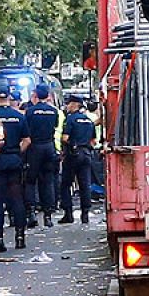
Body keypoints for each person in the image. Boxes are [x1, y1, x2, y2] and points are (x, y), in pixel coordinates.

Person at [0, 84, 30, 250]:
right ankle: (20, 237)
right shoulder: (18, 116)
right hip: (14, 160)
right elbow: (27, 140)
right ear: (9, 97)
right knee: (17, 199)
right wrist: (17, 153)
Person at [24, 84, 61, 228]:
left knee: (30, 181)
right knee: (48, 181)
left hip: (35, 147)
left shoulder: (30, 112)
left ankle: (31, 212)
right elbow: (56, 126)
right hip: (49, 147)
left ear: (36, 96)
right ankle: (48, 215)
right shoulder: (53, 111)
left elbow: (27, 130)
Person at [59, 94, 99, 223]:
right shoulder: (87, 120)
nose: (67, 106)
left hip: (73, 155)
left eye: (69, 104)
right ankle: (85, 214)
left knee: (65, 184)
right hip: (86, 154)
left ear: (75, 104)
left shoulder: (70, 119)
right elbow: (94, 140)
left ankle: (68, 214)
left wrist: (68, 147)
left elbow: (65, 138)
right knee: (85, 185)